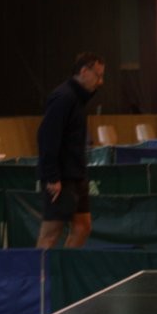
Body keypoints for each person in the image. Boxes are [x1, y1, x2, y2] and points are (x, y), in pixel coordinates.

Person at [36, 52, 105, 249]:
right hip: (61, 177)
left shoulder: (79, 99)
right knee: (51, 233)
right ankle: (39, 269)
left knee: (83, 227)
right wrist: (52, 177)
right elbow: (46, 137)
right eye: (98, 75)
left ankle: (64, 266)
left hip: (77, 175)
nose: (101, 81)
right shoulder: (63, 97)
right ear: (84, 72)